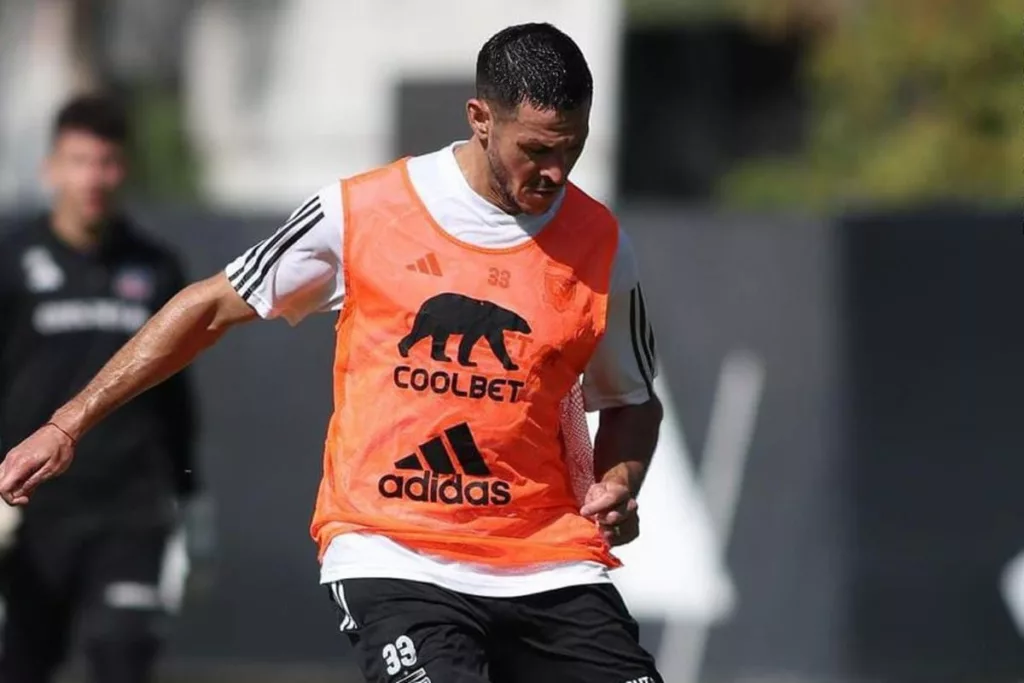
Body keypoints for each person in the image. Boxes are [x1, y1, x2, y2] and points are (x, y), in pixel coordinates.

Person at [0, 23, 664, 683]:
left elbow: (632, 400)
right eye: (538, 148)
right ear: (481, 118)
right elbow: (208, 307)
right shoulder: (361, 211)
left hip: (549, 560)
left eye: (571, 149)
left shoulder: (602, 243)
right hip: (397, 554)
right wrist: (69, 422)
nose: (555, 170)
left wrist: (620, 480)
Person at [0, 94, 202, 683]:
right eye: (79, 160)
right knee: (23, 663)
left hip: (129, 508)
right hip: (30, 510)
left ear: (124, 169)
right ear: (52, 168)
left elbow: (174, 392)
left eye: (107, 162)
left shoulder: (157, 267)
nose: (93, 177)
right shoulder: (12, 261)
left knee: (123, 655)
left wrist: (194, 501)